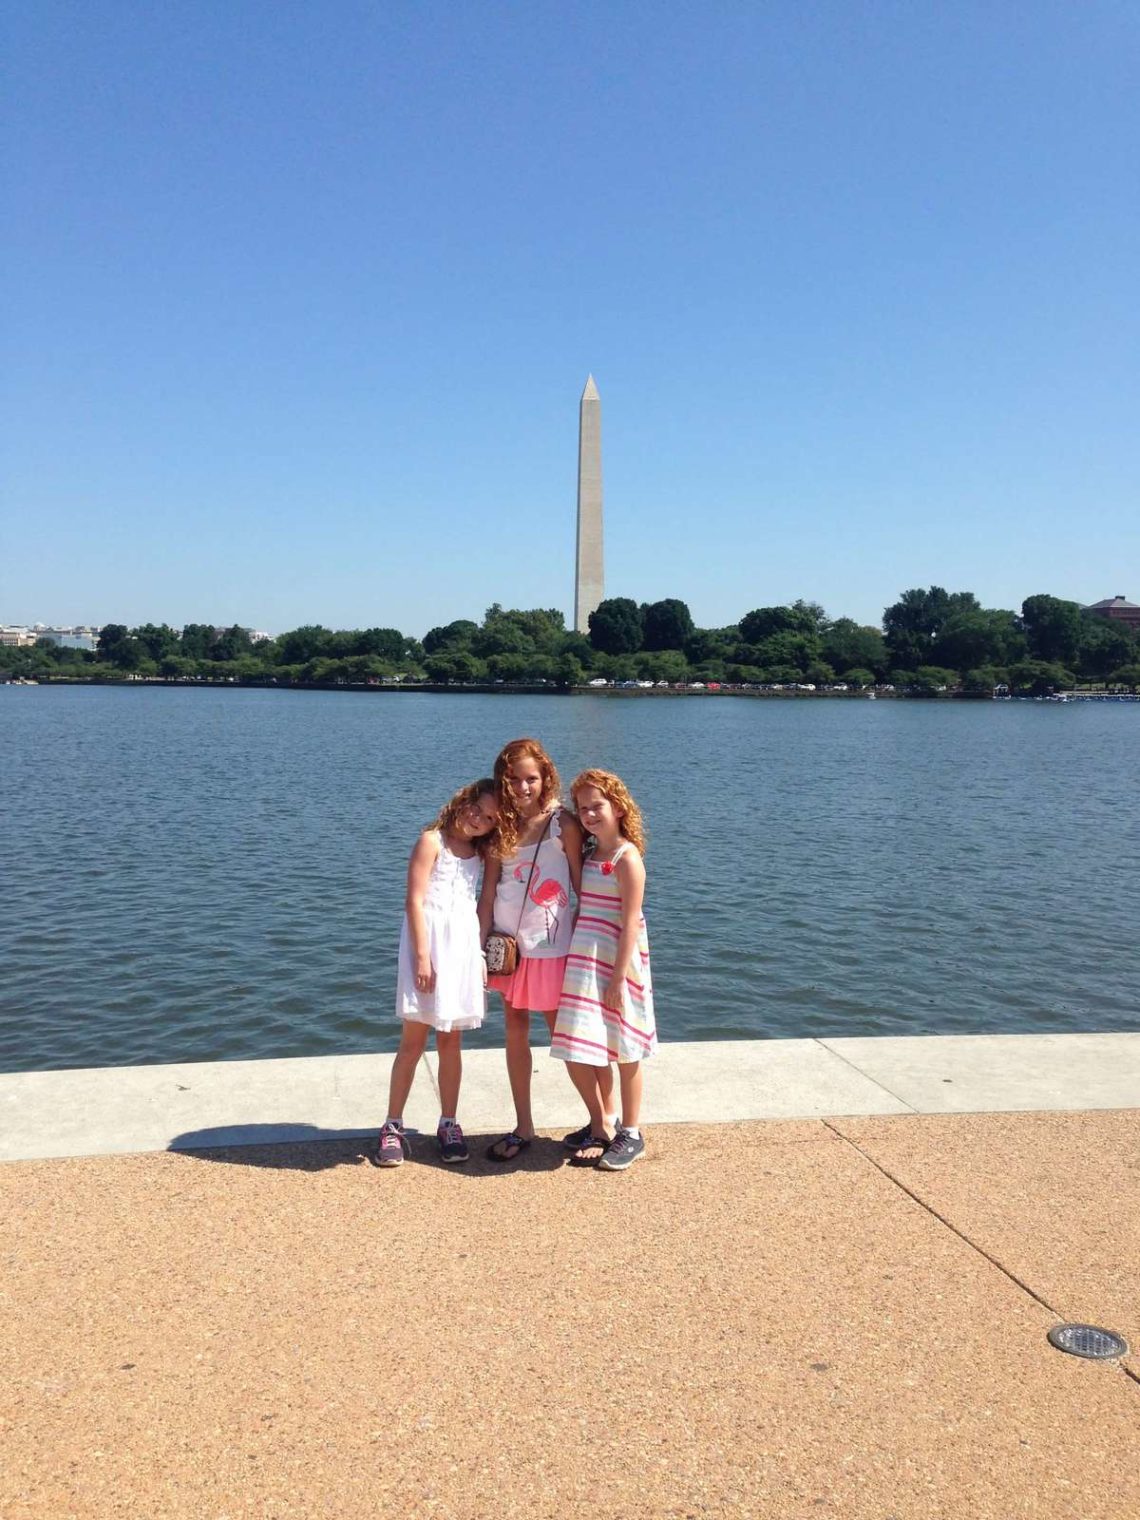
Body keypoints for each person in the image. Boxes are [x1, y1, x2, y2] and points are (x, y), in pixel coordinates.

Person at [373, 779, 500, 1167]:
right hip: (426, 945)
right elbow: (413, 900)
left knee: (450, 1043)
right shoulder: (432, 841)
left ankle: (449, 1122)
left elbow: (485, 903)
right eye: (476, 808)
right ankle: (392, 1125)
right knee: (412, 1043)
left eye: (489, 818)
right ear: (463, 801)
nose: (478, 819)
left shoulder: (483, 854)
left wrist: (479, 954)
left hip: (461, 946)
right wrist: (423, 957)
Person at [478, 737, 585, 1162]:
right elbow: (488, 893)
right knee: (515, 1033)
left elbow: (579, 887)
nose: (523, 787)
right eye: (514, 779)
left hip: (551, 949)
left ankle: (601, 1121)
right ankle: (524, 1124)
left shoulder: (565, 825)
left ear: (545, 779)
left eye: (531, 779)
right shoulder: (499, 826)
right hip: (508, 949)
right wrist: (478, 944)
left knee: (566, 1035)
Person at [551, 768, 656, 1171]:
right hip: (584, 956)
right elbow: (581, 896)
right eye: (583, 808)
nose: (590, 814)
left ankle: (631, 1131)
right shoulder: (592, 854)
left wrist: (618, 978)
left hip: (617, 961)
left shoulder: (626, 858)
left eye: (597, 805)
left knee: (626, 1048)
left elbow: (631, 921)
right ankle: (603, 1122)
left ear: (618, 806)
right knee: (582, 1041)